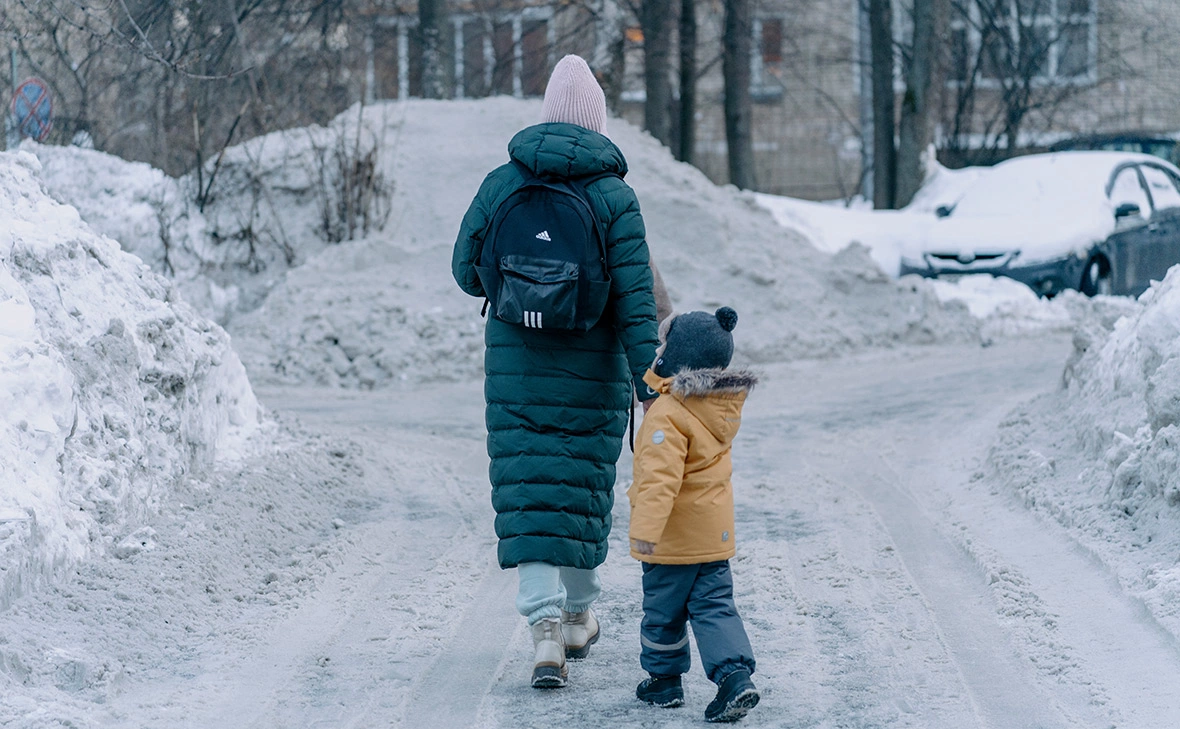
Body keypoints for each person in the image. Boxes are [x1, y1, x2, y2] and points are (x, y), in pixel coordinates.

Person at [452, 54, 660, 689]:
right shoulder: (614, 196)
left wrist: (519, 288)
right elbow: (636, 303)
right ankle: (576, 617)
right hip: (591, 373)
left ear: (546, 116)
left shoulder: (501, 184)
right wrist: (649, 385)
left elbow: (464, 272)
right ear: (597, 124)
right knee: (580, 493)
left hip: (514, 369)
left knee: (530, 493)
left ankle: (543, 632)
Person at [628, 306, 761, 723]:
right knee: (715, 606)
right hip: (712, 538)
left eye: (664, 346)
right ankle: (735, 677)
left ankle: (664, 681)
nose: (658, 352)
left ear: (677, 357)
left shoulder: (668, 413)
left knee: (663, 612)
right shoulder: (717, 406)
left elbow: (659, 480)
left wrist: (645, 531)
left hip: (673, 541)